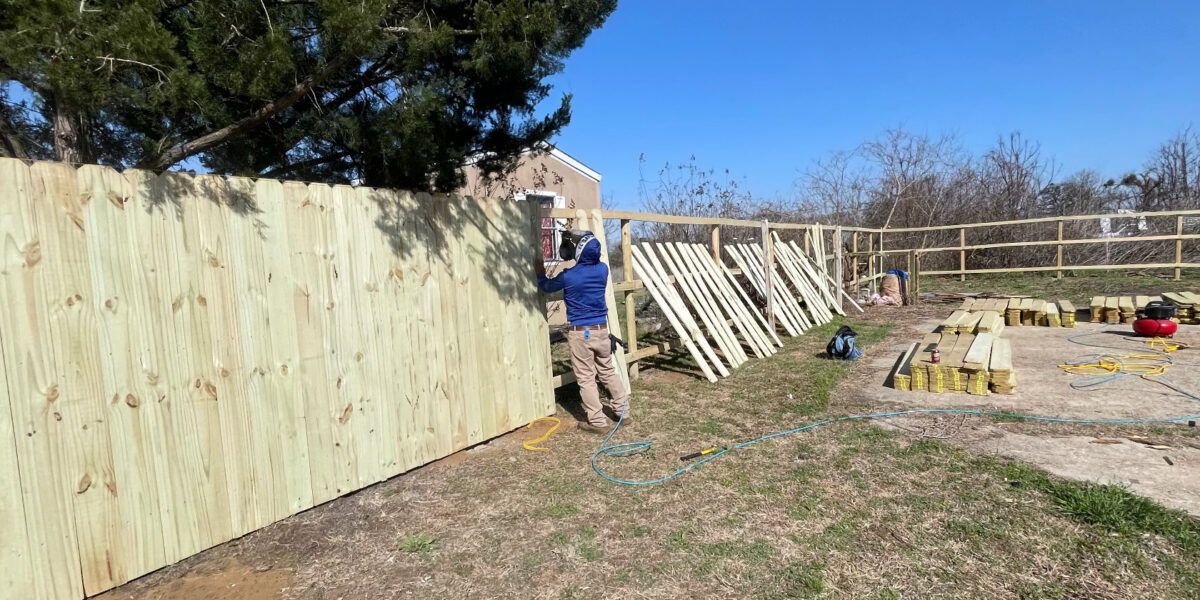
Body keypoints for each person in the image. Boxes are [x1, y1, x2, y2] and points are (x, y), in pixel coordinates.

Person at [536, 230, 630, 433]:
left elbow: (546, 286)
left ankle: (596, 421)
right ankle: (623, 412)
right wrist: (580, 237)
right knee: (607, 372)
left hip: (581, 333)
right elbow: (589, 251)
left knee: (586, 377)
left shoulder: (569, 275)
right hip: (601, 330)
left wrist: (539, 272)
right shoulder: (603, 269)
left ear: (578, 251)